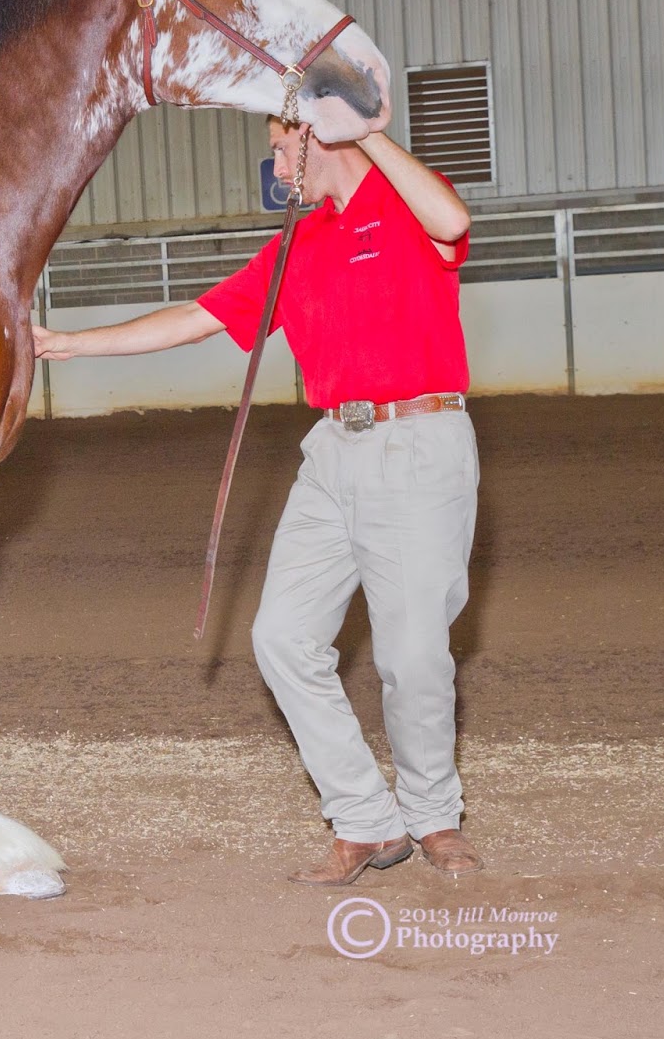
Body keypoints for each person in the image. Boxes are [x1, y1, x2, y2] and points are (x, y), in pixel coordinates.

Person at [34, 118, 483, 884]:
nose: (273, 164)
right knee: (281, 637)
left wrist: (367, 131)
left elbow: (453, 221)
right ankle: (366, 821)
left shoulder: (402, 204)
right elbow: (197, 318)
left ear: (322, 142)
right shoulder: (295, 246)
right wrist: (71, 344)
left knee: (412, 655)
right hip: (331, 450)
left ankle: (434, 816)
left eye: (281, 148)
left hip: (418, 441)